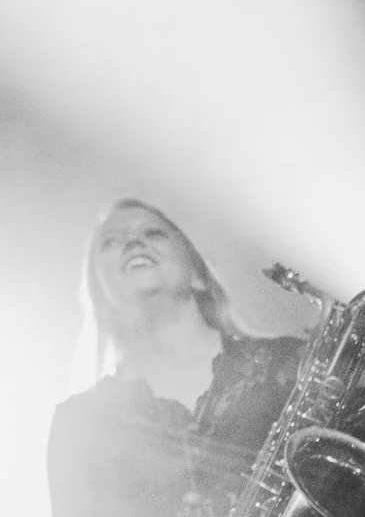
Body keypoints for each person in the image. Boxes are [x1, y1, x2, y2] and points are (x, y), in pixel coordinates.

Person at [48, 199, 308, 517]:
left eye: (154, 233)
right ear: (100, 294)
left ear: (198, 273)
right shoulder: (79, 423)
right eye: (111, 242)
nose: (133, 242)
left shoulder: (290, 364)